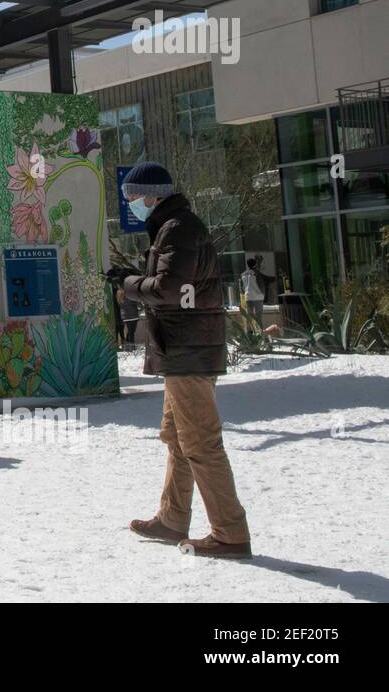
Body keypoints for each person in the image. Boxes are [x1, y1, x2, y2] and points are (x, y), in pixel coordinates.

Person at [109, 161, 251, 559]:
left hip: (189, 351)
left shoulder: (178, 229)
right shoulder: (173, 228)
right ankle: (173, 518)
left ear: (154, 194)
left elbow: (170, 290)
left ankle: (230, 532)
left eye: (133, 196)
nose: (131, 203)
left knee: (201, 442)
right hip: (183, 350)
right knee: (177, 437)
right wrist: (136, 278)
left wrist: (128, 284)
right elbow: (178, 285)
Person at [240, 258, 270, 332]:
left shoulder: (243, 274)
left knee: (249, 316)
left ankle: (249, 333)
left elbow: (242, 287)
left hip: (248, 297)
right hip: (258, 297)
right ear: (255, 265)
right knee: (258, 316)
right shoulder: (257, 273)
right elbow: (265, 281)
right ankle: (260, 332)